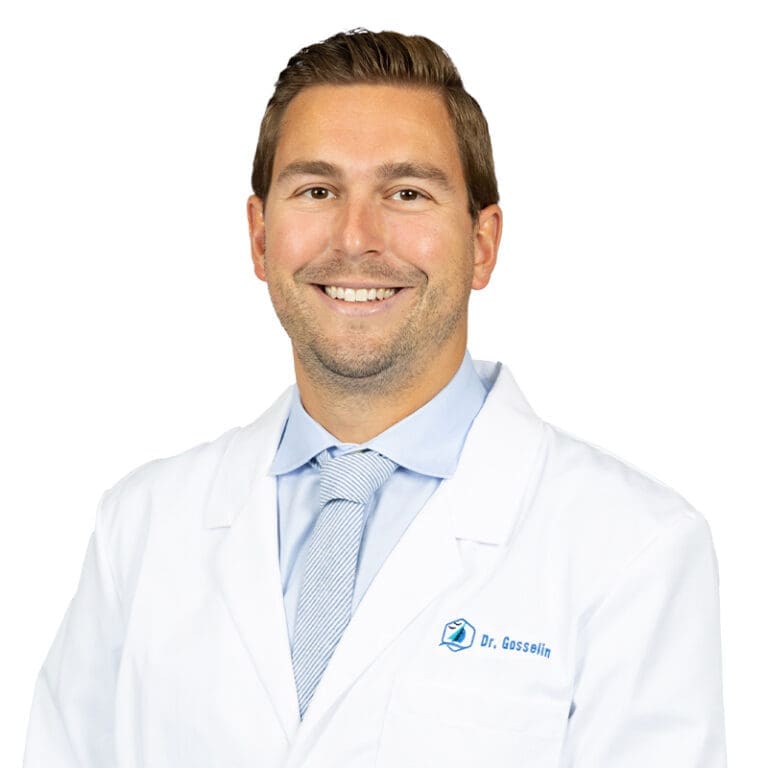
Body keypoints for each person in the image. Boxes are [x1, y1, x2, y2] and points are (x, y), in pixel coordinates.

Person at [24, 29, 726, 767]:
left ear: (482, 243)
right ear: (260, 237)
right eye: (318, 190)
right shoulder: (141, 527)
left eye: (406, 193)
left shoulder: (634, 549)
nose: (356, 238)